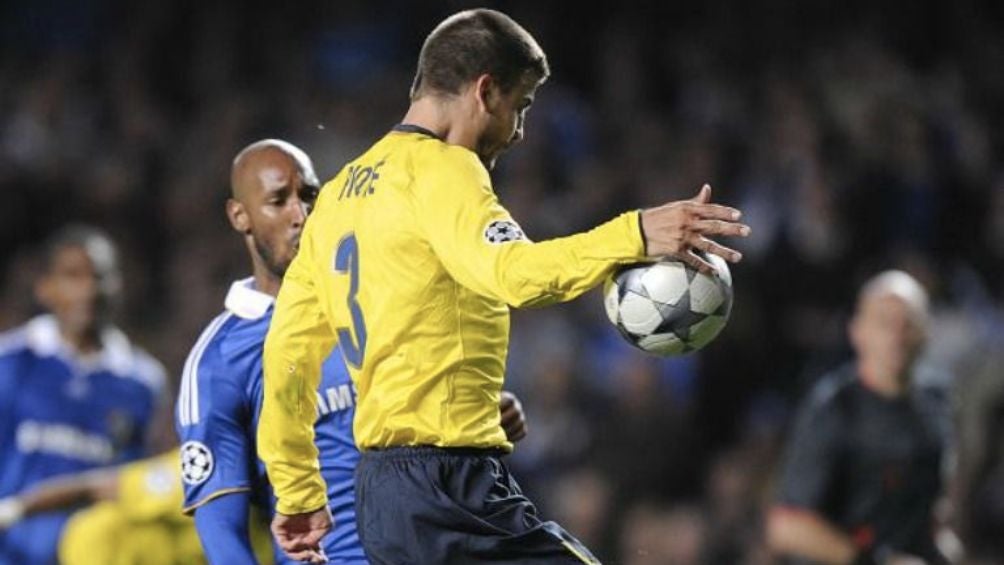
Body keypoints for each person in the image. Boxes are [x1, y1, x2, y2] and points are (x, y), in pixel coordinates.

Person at [257, 8, 750, 564]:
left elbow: (288, 355)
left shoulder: (337, 197)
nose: (518, 131)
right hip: (446, 487)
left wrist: (297, 492)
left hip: (383, 494)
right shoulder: (443, 169)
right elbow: (515, 273)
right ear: (485, 91)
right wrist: (635, 233)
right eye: (521, 106)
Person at [175, 139, 530, 564]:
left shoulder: (374, 298)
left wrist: (479, 414)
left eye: (310, 195)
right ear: (239, 215)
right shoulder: (220, 360)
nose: (301, 215)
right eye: (278, 201)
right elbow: (222, 532)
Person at [0, 225, 166, 565]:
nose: (89, 290)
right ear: (45, 287)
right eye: (73, 276)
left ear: (118, 286)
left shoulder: (144, 382)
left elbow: (139, 482)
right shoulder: (11, 362)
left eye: (99, 277)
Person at [767, 270, 951, 564]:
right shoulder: (833, 408)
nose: (896, 336)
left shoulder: (937, 403)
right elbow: (787, 525)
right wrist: (874, 561)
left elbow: (931, 506)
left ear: (926, 331)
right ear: (857, 331)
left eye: (908, 324)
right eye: (885, 323)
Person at [0, 450, 273, 564]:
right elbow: (92, 487)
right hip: (101, 547)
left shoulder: (266, 545)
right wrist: (14, 509)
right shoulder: (202, 475)